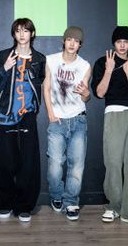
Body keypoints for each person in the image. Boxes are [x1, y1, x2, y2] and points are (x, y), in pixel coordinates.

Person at [91, 26, 128, 230]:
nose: (122, 45)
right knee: (113, 162)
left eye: (125, 42)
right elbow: (99, 93)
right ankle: (113, 206)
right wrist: (109, 70)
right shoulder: (102, 62)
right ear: (113, 43)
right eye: (119, 42)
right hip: (113, 113)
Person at [0, 18, 46, 223]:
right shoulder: (3, 55)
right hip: (5, 115)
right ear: (13, 34)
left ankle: (24, 206)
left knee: (28, 163)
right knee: (3, 162)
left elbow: (41, 85)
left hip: (27, 116)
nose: (22, 34)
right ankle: (4, 203)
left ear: (32, 34)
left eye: (26, 30)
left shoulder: (39, 59)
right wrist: (5, 68)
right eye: (18, 31)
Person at [43, 26, 92, 221]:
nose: (72, 43)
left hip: (78, 119)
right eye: (69, 39)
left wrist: (86, 94)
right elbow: (46, 88)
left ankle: (71, 201)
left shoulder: (85, 65)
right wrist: (50, 114)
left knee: (77, 165)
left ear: (80, 45)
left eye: (76, 41)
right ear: (63, 41)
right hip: (57, 120)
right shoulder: (51, 60)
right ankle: (56, 195)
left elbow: (86, 96)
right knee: (55, 164)